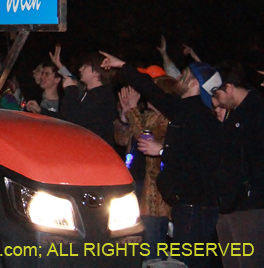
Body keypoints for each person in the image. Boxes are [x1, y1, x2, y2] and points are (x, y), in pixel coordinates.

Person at [101, 52, 223, 268]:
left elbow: (202, 159)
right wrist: (123, 65)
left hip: (195, 204)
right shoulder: (187, 110)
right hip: (186, 203)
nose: (179, 79)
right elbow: (152, 92)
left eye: (184, 75)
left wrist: (163, 150)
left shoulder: (198, 115)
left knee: (189, 261)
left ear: (195, 83)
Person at [114, 77, 178, 257]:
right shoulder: (147, 116)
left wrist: (132, 110)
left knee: (151, 239)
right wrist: (125, 115)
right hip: (134, 181)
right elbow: (122, 139)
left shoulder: (168, 119)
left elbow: (146, 137)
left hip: (152, 191)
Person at [211, 61, 264, 268]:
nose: (217, 102)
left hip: (249, 201)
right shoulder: (237, 112)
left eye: (218, 94)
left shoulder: (255, 110)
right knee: (232, 260)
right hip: (231, 200)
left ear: (230, 88)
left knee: (248, 260)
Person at [58, 51, 118, 148]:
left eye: (85, 66)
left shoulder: (102, 97)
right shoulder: (90, 93)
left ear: (96, 72)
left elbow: (73, 120)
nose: (80, 69)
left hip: (92, 152)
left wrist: (70, 90)